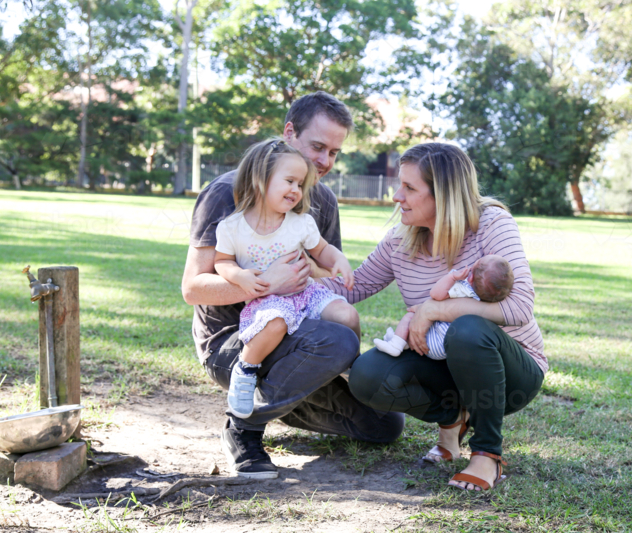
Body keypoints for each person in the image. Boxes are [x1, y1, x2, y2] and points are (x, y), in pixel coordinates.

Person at [182, 91, 404, 480]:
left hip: (300, 337)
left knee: (385, 424)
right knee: (339, 341)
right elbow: (193, 288)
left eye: (334, 152)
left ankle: (281, 397)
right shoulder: (226, 193)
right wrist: (267, 284)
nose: (325, 161)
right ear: (289, 133)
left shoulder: (322, 201)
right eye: (318, 147)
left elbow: (323, 275)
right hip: (233, 342)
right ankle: (243, 427)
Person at [321, 143, 547, 491]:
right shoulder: (400, 240)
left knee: (468, 328)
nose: (397, 196)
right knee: (367, 376)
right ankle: (453, 418)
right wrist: (277, 279)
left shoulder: (491, 224)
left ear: (444, 195)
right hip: (445, 365)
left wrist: (436, 309)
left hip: (511, 375)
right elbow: (352, 287)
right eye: (400, 185)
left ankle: (487, 455)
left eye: (409, 188)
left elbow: (519, 308)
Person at [214, 138, 358, 419]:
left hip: (307, 292)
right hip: (268, 300)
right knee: (275, 324)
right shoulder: (232, 227)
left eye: (300, 184)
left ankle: (351, 368)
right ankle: (245, 370)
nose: (296, 190)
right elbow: (222, 261)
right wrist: (240, 276)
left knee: (347, 315)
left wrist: (338, 259)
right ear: (260, 179)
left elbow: (322, 250)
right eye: (290, 181)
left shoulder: (300, 223)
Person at [373, 255, 513, 358]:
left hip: (432, 342)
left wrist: (452, 277)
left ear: (470, 278)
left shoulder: (462, 288)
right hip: (448, 347)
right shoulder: (485, 302)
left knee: (411, 316)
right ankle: (403, 341)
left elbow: (435, 294)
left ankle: (396, 344)